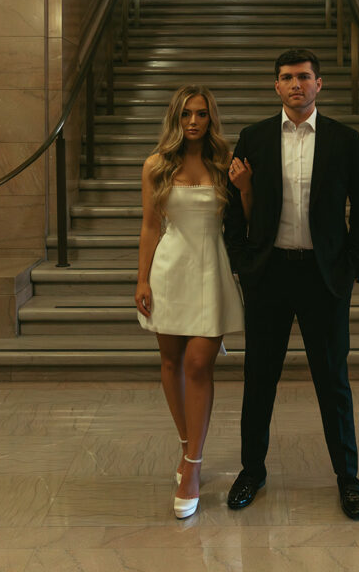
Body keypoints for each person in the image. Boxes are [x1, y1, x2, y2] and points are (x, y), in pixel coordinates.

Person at [224, 47, 359, 521]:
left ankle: (347, 479)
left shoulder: (345, 139)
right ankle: (252, 470)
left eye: (305, 77)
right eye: (287, 77)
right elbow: (234, 206)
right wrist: (245, 262)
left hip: (323, 277)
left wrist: (351, 268)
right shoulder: (253, 137)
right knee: (259, 379)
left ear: (319, 84)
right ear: (276, 85)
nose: (296, 84)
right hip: (269, 276)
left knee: (333, 381)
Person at [135, 85, 244, 519]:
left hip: (211, 267)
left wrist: (245, 187)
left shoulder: (223, 164)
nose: (194, 121)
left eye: (201, 114)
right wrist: (142, 279)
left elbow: (244, 218)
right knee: (170, 362)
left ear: (211, 118)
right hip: (170, 269)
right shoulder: (156, 166)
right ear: (175, 119)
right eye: (186, 115)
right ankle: (188, 449)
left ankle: (193, 467)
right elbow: (149, 227)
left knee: (200, 363)